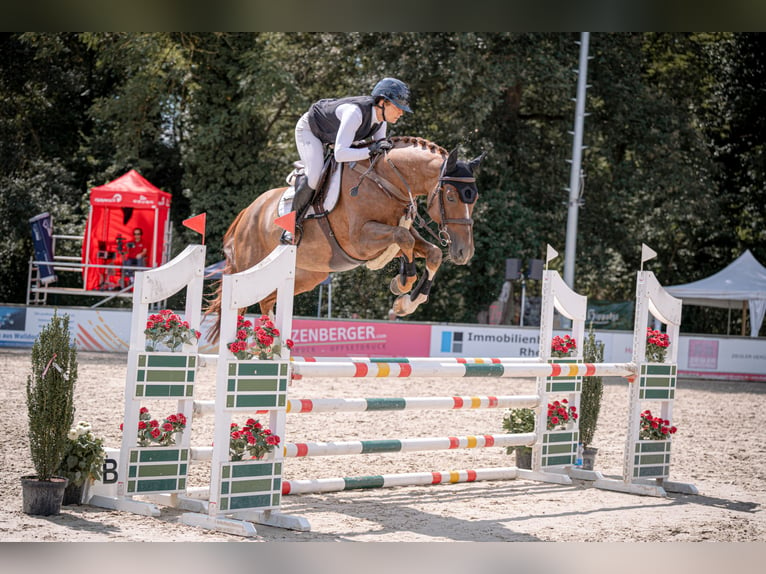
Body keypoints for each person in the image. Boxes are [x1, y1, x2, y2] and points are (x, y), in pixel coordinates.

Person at [282, 77, 413, 244]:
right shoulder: (355, 113)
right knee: (314, 175)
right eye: (397, 107)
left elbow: (377, 154)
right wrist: (370, 150)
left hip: (335, 135)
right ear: (383, 102)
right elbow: (340, 154)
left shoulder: (381, 121)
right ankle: (289, 226)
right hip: (311, 130)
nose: (401, 113)